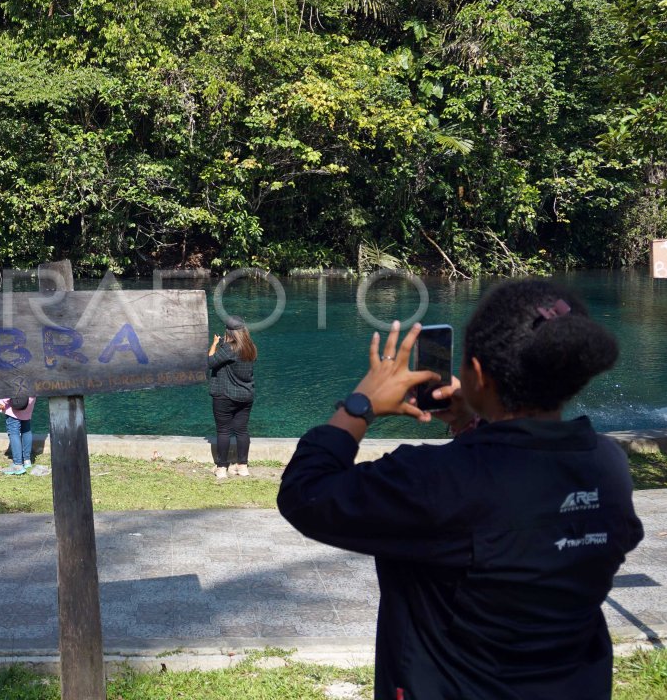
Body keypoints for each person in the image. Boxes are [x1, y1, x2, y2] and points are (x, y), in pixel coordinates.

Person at [278, 279, 644, 700]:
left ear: (477, 375)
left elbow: (307, 492)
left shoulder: (435, 479)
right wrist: (472, 424)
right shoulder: (607, 466)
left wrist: (362, 403)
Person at [208, 315, 257, 479]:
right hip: (246, 395)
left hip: (225, 396)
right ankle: (242, 467)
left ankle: (221, 468)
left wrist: (215, 344)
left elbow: (211, 362)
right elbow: (232, 358)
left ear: (228, 332)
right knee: (242, 431)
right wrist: (224, 344)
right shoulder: (251, 348)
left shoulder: (228, 349)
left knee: (223, 431)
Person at [0, 396, 37, 475]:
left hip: (15, 403)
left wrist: (2, 401)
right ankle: (27, 460)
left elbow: (12, 386)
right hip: (29, 401)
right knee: (26, 429)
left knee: (13, 432)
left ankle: (18, 464)